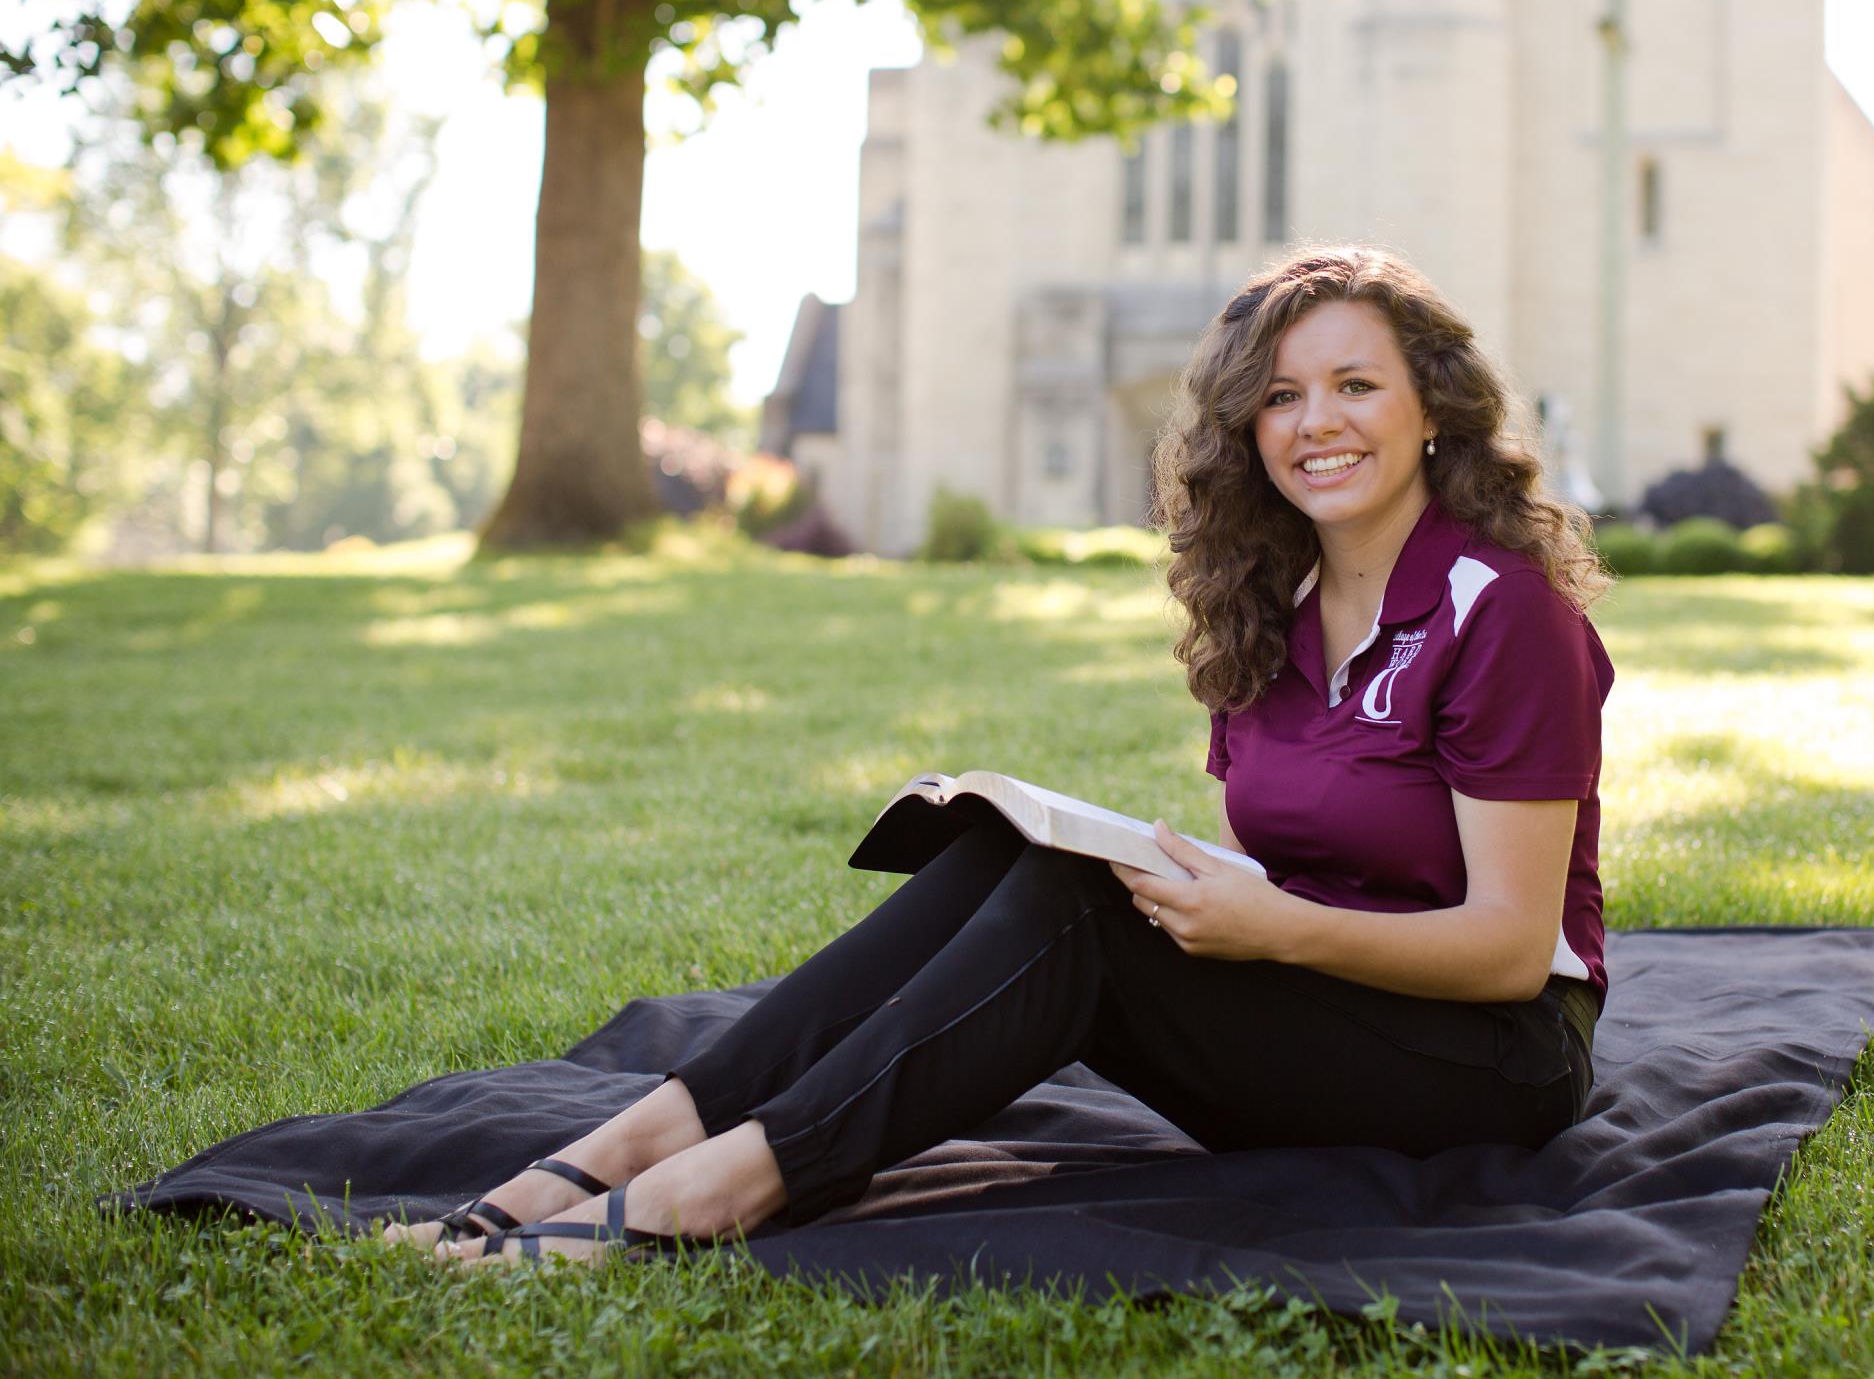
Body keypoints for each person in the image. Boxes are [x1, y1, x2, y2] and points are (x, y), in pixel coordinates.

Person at [389, 243, 1615, 1266]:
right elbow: (1280, 855)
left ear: (1430, 408)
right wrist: (1193, 889)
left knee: (1075, 916)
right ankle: (628, 1146)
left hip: (1491, 1062)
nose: (1317, 423)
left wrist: (1269, 930)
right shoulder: (1278, 615)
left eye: (1357, 384)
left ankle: (709, 1193)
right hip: (1335, 1004)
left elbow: (1510, 951)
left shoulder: (1501, 610)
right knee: (1013, 857)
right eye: (1283, 396)